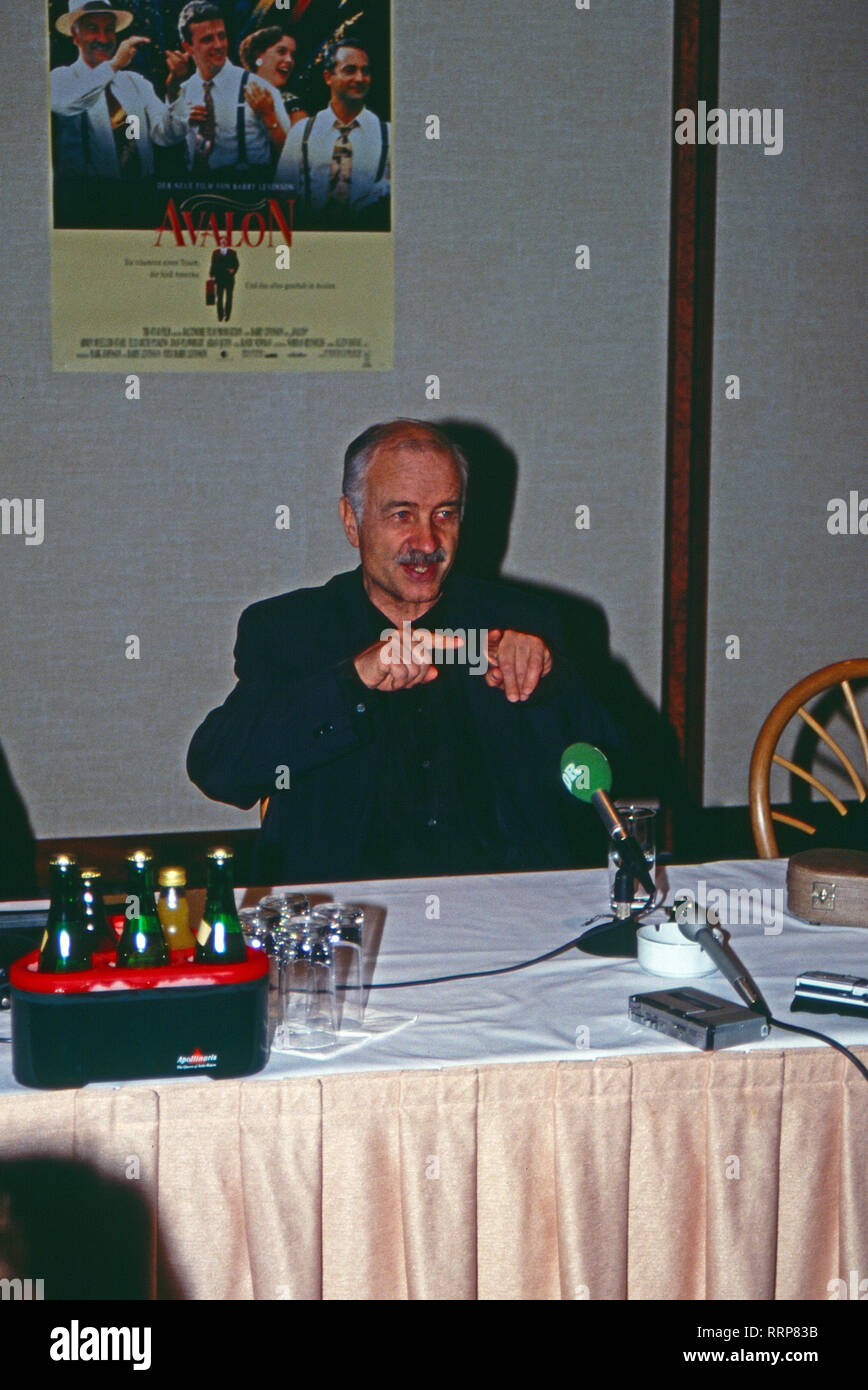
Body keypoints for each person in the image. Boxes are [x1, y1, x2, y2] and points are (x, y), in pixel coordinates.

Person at [187, 420, 631, 884]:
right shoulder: (290, 630)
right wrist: (350, 682)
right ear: (351, 521)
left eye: (445, 514)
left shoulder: (524, 622)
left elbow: (621, 768)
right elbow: (219, 770)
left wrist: (550, 678)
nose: (427, 542)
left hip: (505, 911)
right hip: (343, 919)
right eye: (402, 515)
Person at [50, 1, 179, 223]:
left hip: (142, 198)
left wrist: (175, 88)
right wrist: (113, 66)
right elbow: (68, 104)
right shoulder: (61, 78)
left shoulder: (135, 83)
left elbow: (166, 135)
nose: (103, 38)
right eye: (93, 29)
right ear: (75, 35)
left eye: (109, 29)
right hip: (86, 204)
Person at [164, 1, 289, 181]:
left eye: (221, 36)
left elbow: (292, 157)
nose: (218, 45)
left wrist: (270, 118)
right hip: (197, 197)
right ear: (188, 47)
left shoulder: (259, 89)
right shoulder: (183, 90)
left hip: (248, 199)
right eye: (207, 39)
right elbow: (166, 139)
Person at [274, 39, 389, 229]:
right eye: (350, 70)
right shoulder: (302, 133)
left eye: (365, 71)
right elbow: (281, 198)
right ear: (328, 77)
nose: (360, 78)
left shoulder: (387, 136)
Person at [238, 25, 308, 158]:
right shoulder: (231, 91)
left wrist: (269, 116)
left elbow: (300, 156)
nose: (289, 60)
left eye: (292, 55)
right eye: (281, 51)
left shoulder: (291, 102)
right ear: (258, 55)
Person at [209, 233, 239, 320]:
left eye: (225, 241)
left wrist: (233, 270)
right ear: (220, 242)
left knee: (229, 297)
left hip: (229, 278)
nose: (223, 243)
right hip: (219, 279)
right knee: (219, 298)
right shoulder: (215, 253)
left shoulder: (232, 253)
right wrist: (211, 275)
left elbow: (236, 264)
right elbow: (213, 265)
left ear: (227, 242)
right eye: (222, 241)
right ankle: (220, 315)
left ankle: (227, 316)